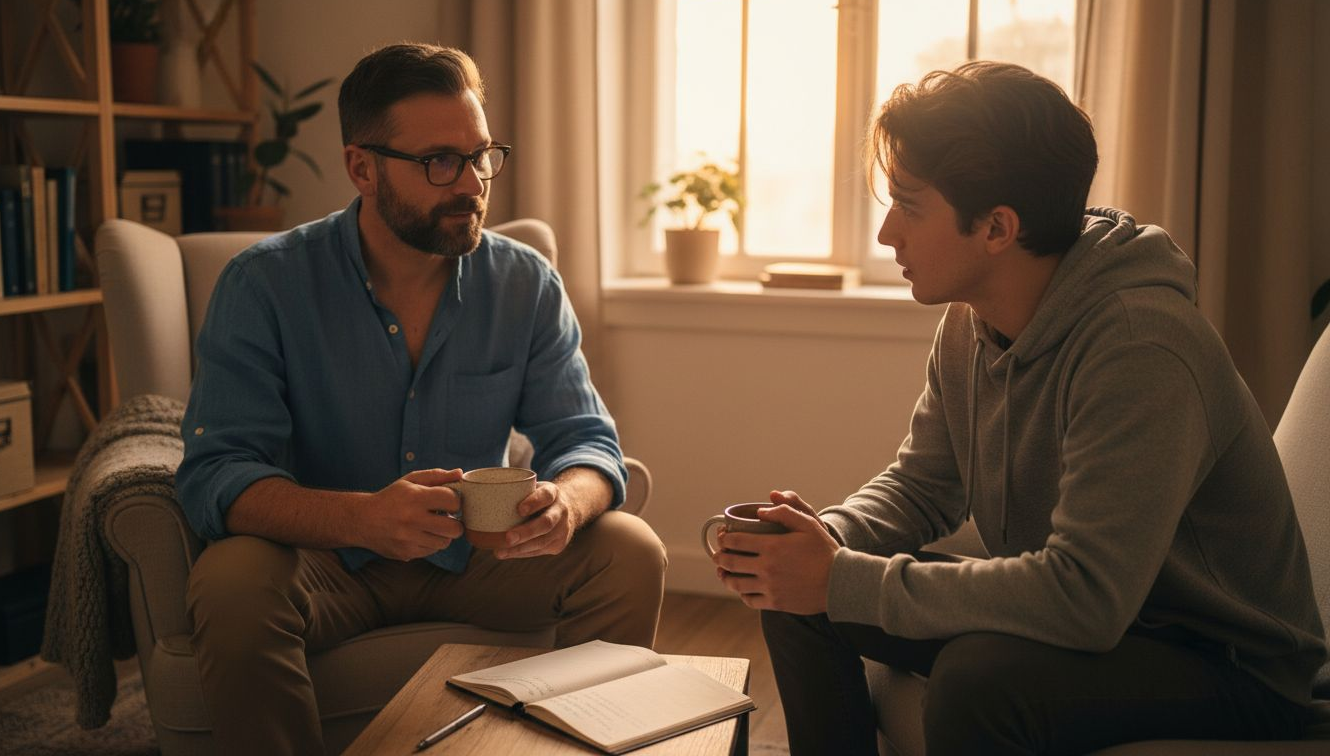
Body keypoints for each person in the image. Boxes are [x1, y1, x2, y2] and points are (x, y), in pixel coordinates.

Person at [710, 61, 1326, 755]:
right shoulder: (972, 320)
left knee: (976, 678)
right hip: (1103, 625)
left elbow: (1087, 597)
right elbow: (922, 485)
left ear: (997, 228)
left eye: (909, 206)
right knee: (798, 598)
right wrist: (819, 541)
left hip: (1229, 666)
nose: (886, 234)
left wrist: (843, 577)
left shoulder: (1139, 345)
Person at [176, 43, 666, 754]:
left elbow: (587, 441)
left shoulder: (524, 284)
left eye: (481, 156)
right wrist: (362, 518)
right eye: (440, 161)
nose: (471, 184)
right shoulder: (264, 285)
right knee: (230, 581)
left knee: (630, 551)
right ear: (362, 168)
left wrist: (567, 503)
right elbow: (217, 473)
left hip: (477, 558)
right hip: (323, 561)